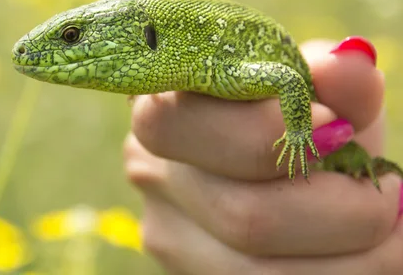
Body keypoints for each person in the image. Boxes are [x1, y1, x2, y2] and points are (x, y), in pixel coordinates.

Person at [124, 37, 403, 274]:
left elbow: (287, 79)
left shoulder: (218, 68)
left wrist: (297, 134)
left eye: (77, 36)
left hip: (337, 150)